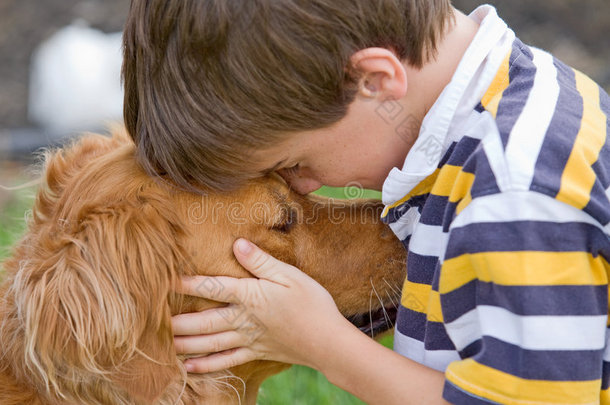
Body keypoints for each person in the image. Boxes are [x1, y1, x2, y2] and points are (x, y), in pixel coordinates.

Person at [121, 1, 610, 403]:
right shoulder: (527, 99)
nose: (307, 186)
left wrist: (326, 346)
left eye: (294, 164)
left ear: (375, 81)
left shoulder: (514, 195)